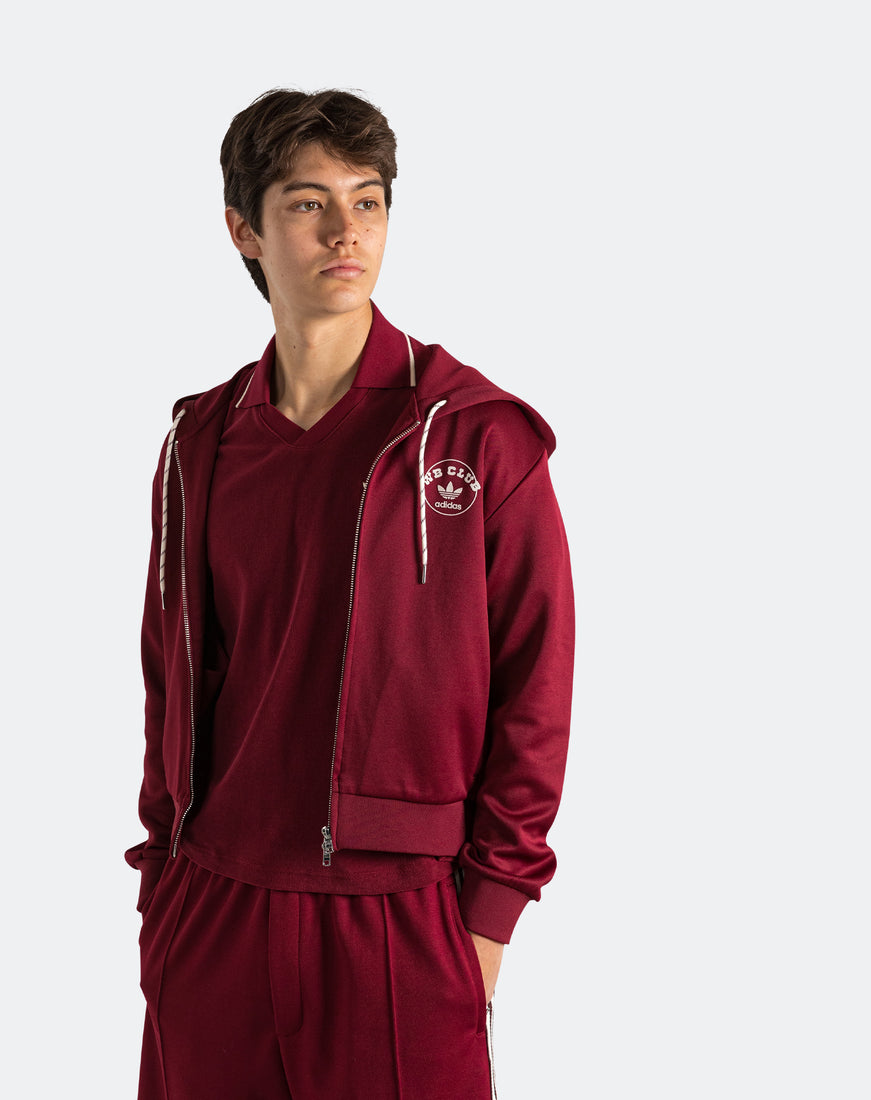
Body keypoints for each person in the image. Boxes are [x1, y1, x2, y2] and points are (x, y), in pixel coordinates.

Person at [126, 87, 575, 1099]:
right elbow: (171, 678)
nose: (346, 231)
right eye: (307, 203)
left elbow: (535, 688)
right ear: (243, 230)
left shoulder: (475, 435)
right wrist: (163, 886)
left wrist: (488, 915)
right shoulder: (200, 442)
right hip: (213, 903)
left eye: (366, 201)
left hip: (400, 911)